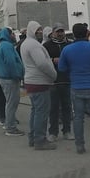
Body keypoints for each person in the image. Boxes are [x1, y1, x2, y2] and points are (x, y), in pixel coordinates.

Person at [59, 23, 90, 154]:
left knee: (78, 118)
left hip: (76, 87)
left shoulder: (67, 49)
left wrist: (72, 75)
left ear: (74, 34)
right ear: (86, 32)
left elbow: (62, 68)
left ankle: (80, 146)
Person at [21, 21, 58, 150]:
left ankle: (33, 137)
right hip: (39, 82)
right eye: (38, 29)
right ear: (32, 31)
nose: (40, 32)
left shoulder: (26, 44)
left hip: (31, 82)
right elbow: (42, 63)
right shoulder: (34, 45)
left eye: (41, 29)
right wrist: (54, 74)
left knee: (36, 111)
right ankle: (40, 140)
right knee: (41, 113)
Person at [42, 23, 74, 142]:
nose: (60, 33)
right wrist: (52, 60)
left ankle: (67, 131)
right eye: (58, 31)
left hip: (67, 80)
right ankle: (53, 132)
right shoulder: (46, 45)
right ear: (53, 32)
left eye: (62, 31)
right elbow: (43, 61)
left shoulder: (69, 44)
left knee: (67, 107)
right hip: (53, 82)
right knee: (53, 108)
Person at [0, 27, 26, 136]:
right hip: (10, 78)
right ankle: (10, 127)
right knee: (12, 103)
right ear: (8, 34)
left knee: (10, 102)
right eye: (12, 33)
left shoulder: (3, 45)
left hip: (6, 78)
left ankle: (9, 124)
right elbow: (11, 62)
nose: (14, 35)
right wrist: (18, 75)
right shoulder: (7, 46)